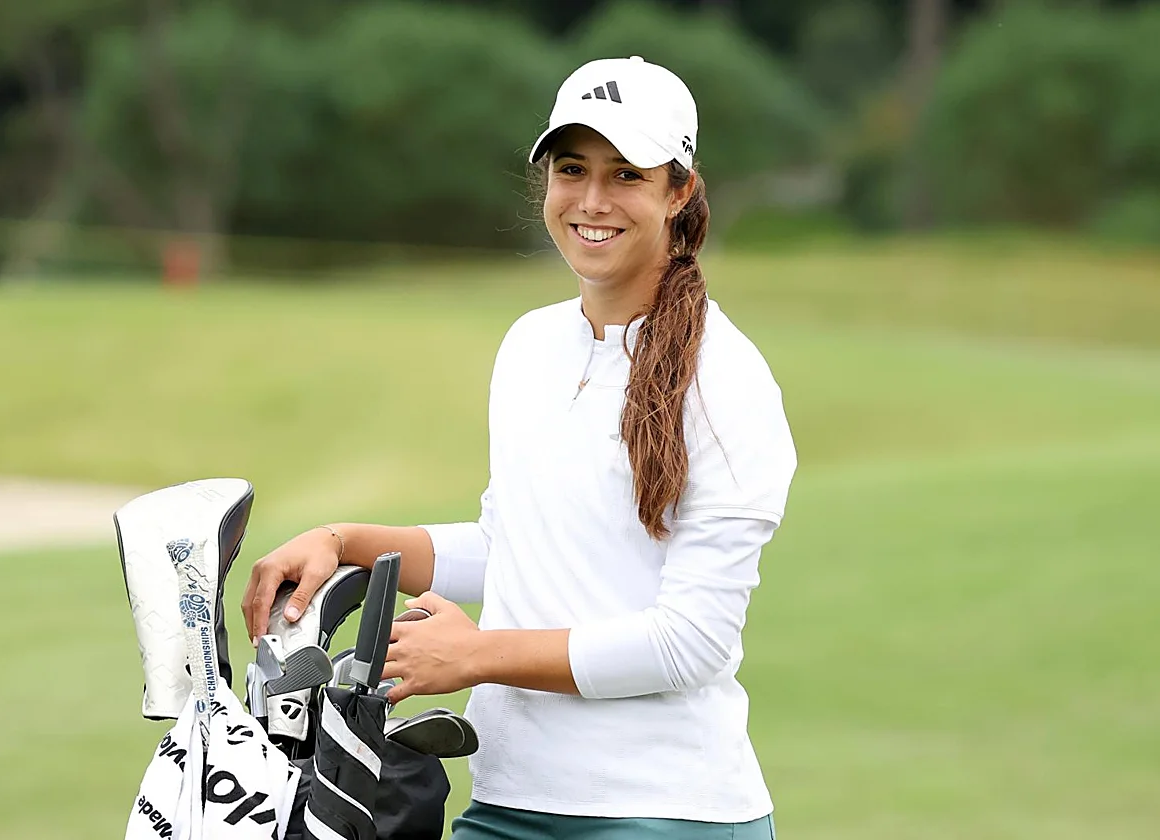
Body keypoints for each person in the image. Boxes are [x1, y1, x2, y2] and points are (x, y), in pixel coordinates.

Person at [242, 56, 797, 839]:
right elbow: (517, 549)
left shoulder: (726, 381)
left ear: (679, 192)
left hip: (666, 812)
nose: (593, 201)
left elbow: (691, 644)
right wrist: (347, 543)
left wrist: (477, 656)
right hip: (510, 804)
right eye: (573, 170)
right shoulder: (532, 346)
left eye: (627, 174)